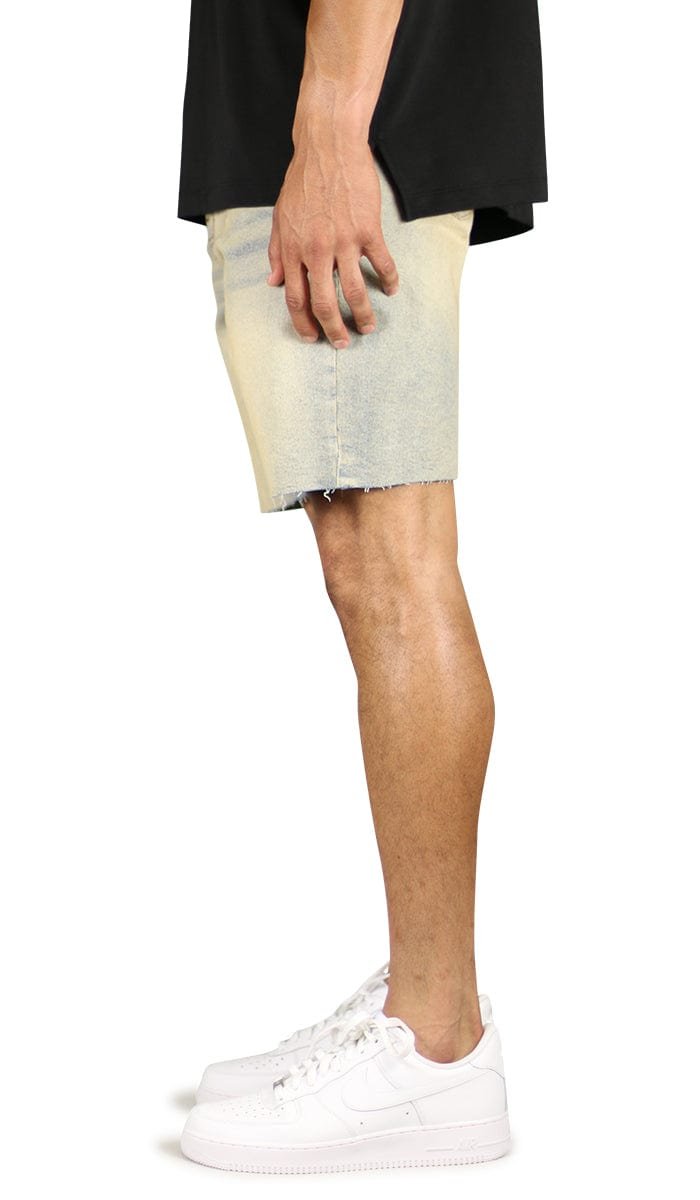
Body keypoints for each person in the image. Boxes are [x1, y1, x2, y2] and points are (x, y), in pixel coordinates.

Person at [176, 0, 547, 1175]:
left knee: (393, 560)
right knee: (366, 556)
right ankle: (426, 1000)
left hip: (353, 100)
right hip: (312, 94)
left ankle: (435, 1045)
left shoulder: (338, 120)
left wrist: (333, 125)